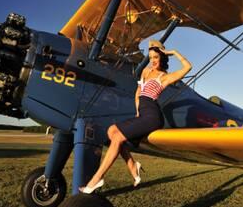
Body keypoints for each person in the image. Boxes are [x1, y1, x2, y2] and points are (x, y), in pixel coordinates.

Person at [79, 40, 192, 193]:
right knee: (112, 131)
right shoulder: (145, 71)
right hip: (143, 113)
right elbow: (138, 92)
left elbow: (188, 67)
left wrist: (173, 52)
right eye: (151, 57)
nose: (152, 61)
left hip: (152, 116)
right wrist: (138, 111)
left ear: (162, 58)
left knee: (117, 138)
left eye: (156, 58)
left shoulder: (164, 77)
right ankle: (133, 165)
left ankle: (96, 179)